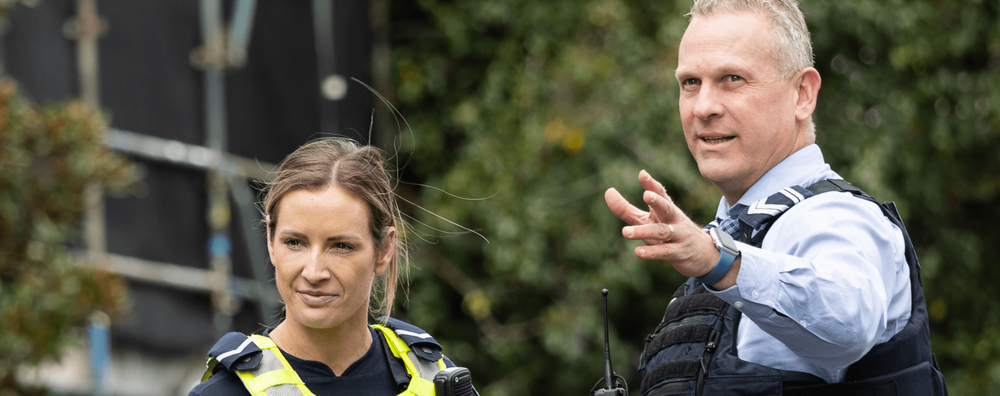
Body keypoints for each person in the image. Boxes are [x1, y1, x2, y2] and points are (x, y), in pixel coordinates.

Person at [604, 1, 947, 395]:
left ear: (803, 93)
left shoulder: (835, 216)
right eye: (690, 83)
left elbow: (850, 322)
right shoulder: (733, 236)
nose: (703, 107)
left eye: (732, 78)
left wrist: (719, 262)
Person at [189, 138, 477, 396]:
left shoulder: (436, 380)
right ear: (270, 241)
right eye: (294, 242)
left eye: (341, 246)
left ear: (384, 250)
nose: (314, 273)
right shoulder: (224, 392)